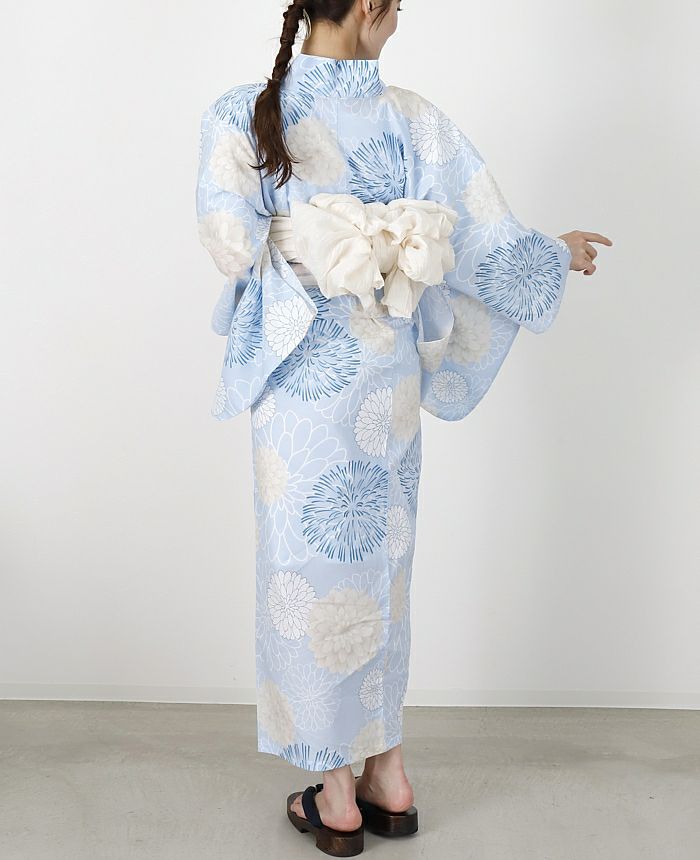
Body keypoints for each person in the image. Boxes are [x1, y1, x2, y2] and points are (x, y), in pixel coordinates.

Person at [195, 0, 612, 855]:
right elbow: (484, 238)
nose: (399, 22)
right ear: (368, 6)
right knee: (381, 567)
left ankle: (336, 792)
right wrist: (551, 251)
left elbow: (229, 243)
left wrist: (301, 230)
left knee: (308, 569)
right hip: (382, 378)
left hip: (299, 383)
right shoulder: (412, 119)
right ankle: (388, 773)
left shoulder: (243, 112)